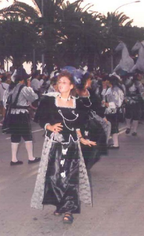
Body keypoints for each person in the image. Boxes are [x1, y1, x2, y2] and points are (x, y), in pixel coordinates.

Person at [31, 71, 96, 224]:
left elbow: (78, 125)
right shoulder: (49, 101)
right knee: (54, 176)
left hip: (71, 144)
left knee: (70, 178)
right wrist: (49, 126)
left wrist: (82, 139)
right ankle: (60, 204)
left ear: (71, 86)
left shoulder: (77, 103)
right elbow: (40, 118)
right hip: (54, 144)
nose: (61, 85)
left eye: (64, 82)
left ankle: (68, 210)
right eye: (59, 82)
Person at [3, 68, 40, 166]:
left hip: (12, 114)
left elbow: (4, 102)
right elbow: (34, 98)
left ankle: (13, 159)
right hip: (22, 114)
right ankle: (31, 158)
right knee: (27, 136)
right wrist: (29, 87)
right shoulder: (24, 88)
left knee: (15, 136)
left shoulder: (10, 88)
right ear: (23, 79)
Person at [76, 71, 109, 169]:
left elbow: (97, 105)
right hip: (79, 120)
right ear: (86, 81)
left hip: (89, 120)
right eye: (90, 79)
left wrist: (103, 116)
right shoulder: (76, 91)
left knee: (97, 139)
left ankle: (86, 164)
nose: (91, 81)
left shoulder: (90, 92)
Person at [103, 74, 124, 148]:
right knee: (109, 126)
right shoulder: (109, 89)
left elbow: (118, 103)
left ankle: (116, 144)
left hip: (114, 111)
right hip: (109, 111)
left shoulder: (116, 90)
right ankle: (111, 142)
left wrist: (108, 104)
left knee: (114, 126)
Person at [124, 70, 144, 136]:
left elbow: (124, 91)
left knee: (129, 114)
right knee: (135, 115)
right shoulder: (138, 83)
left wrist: (124, 98)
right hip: (135, 101)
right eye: (140, 75)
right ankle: (133, 130)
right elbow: (142, 92)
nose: (141, 76)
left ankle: (129, 127)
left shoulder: (127, 81)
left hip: (129, 100)